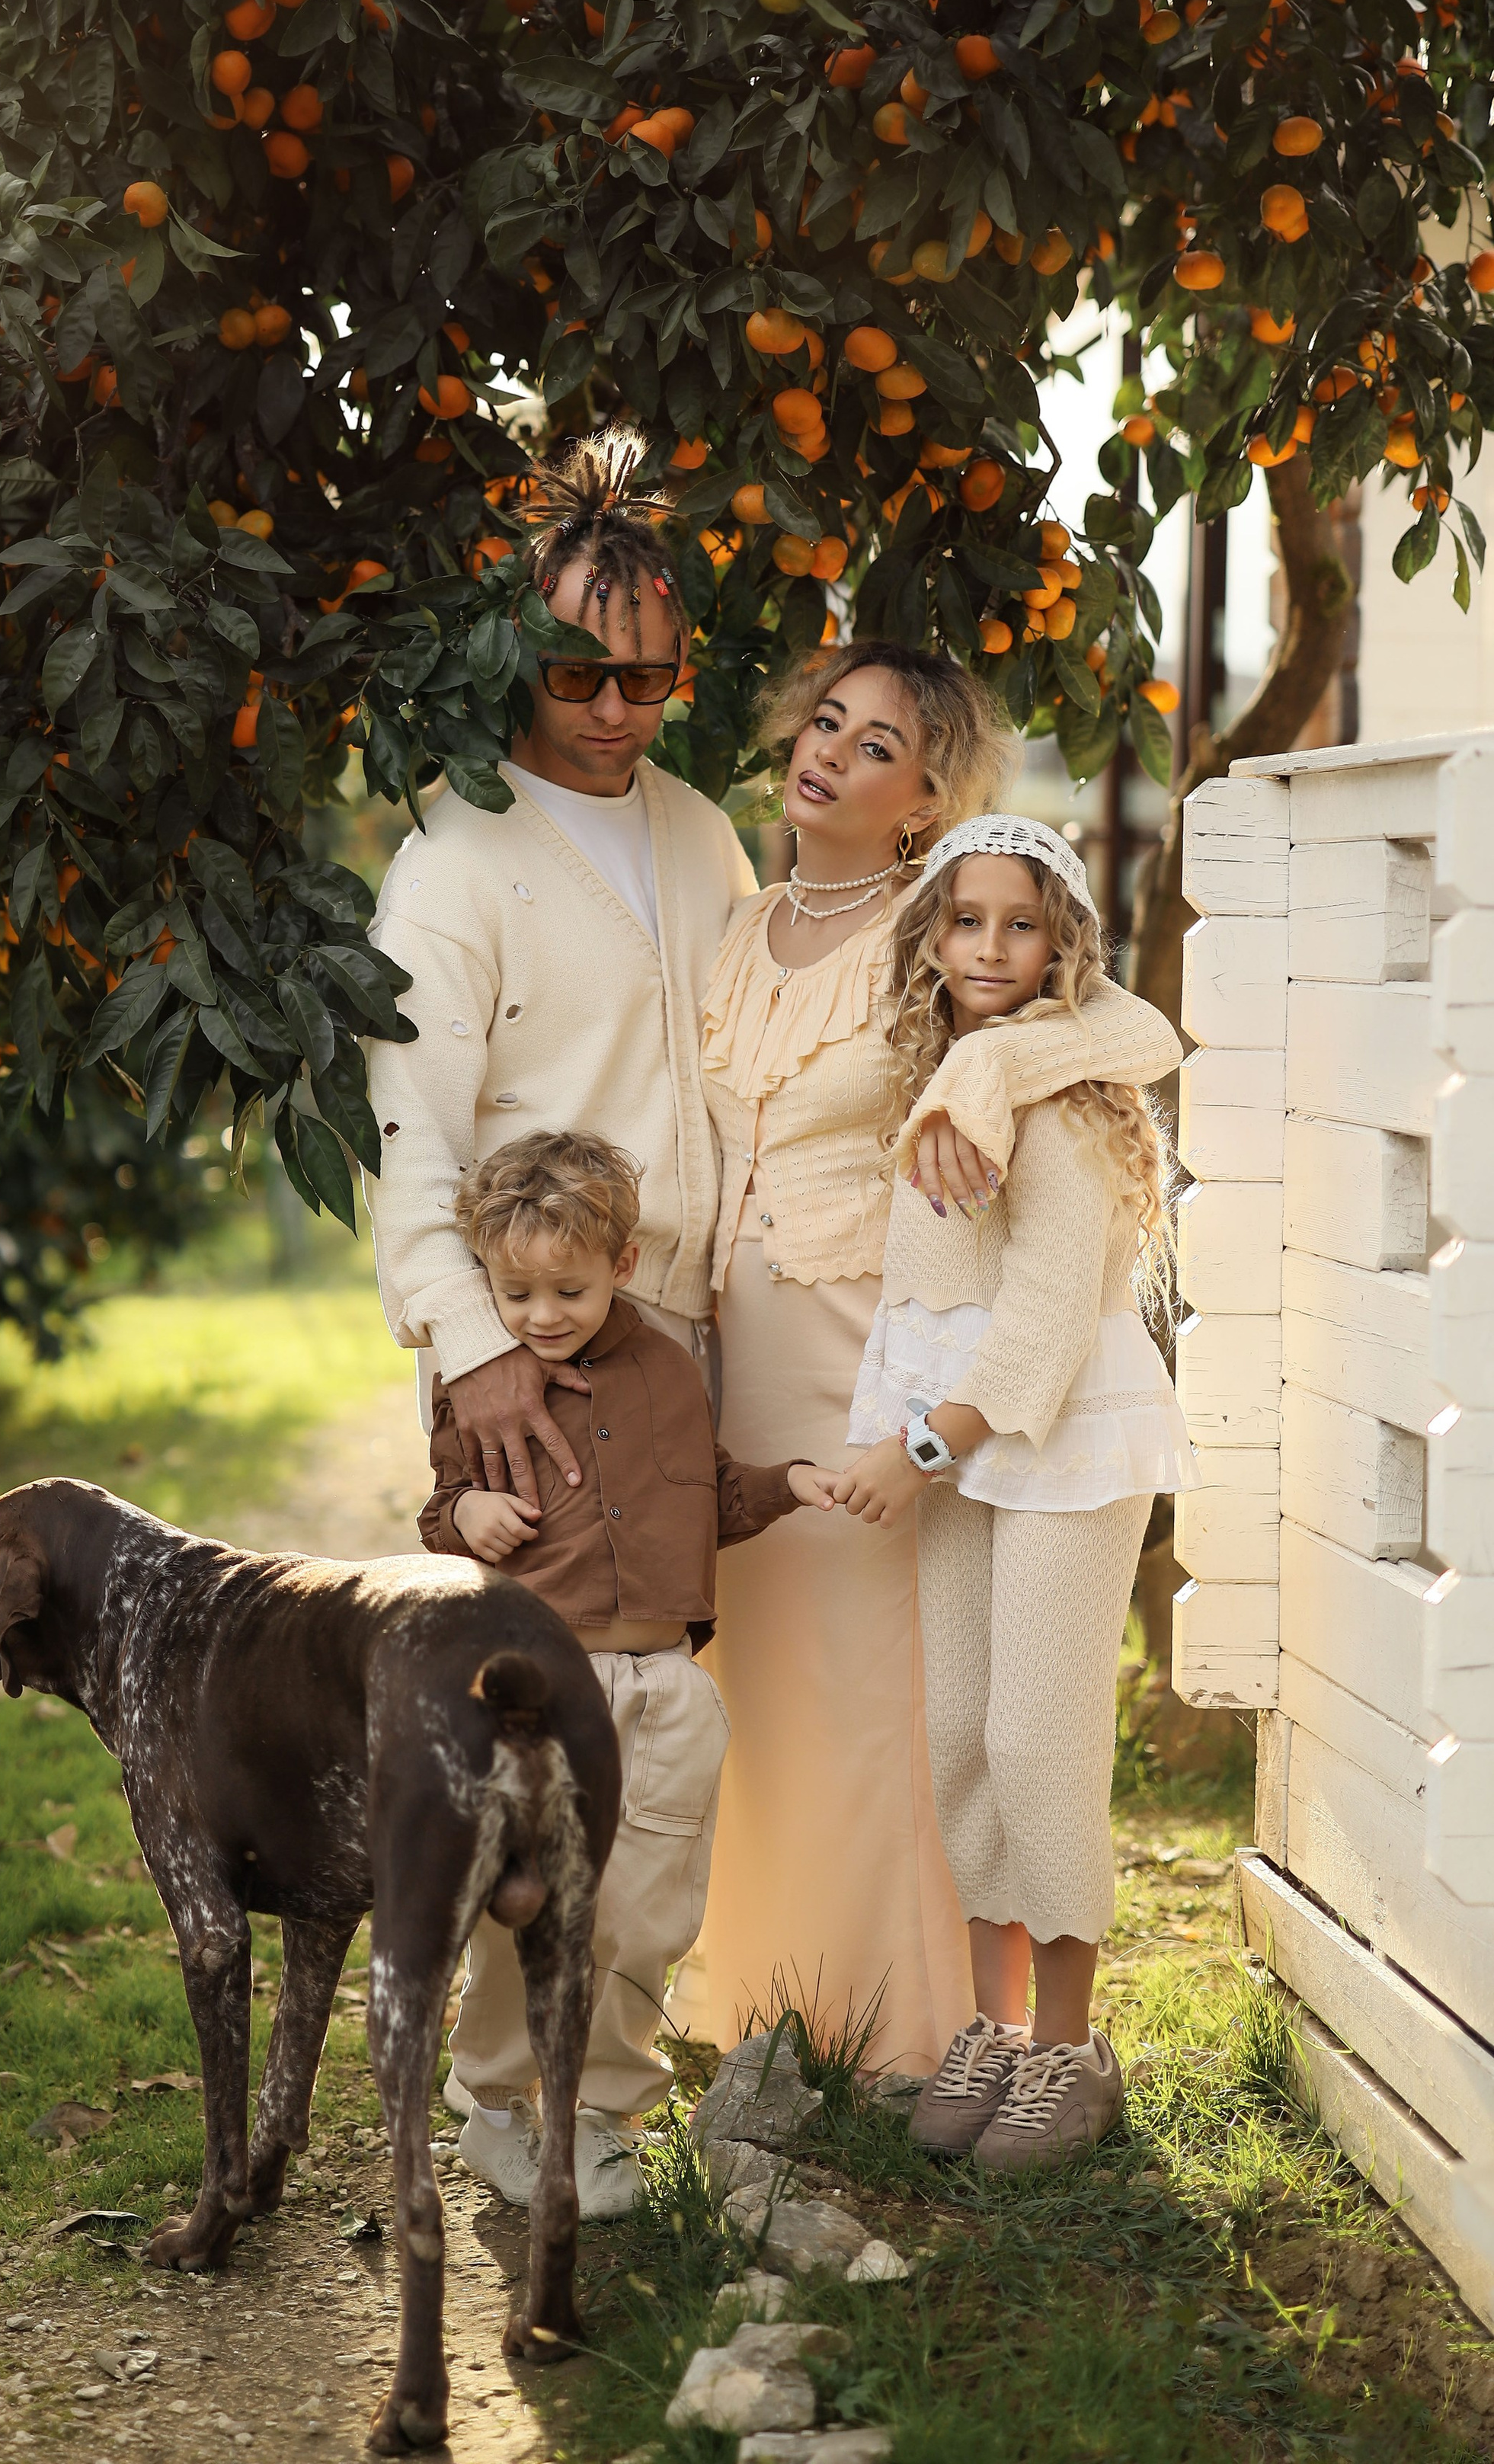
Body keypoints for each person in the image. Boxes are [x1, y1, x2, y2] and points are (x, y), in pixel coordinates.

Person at [687, 643, 1182, 2078]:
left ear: (928, 798)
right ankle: (832, 2008)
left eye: (878, 743)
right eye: (822, 718)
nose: (829, 749)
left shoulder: (956, 928)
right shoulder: (746, 924)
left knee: (962, 1714)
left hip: (920, 1362)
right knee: (853, 1704)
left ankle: (987, 2036)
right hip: (800, 1348)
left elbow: (1124, 1030)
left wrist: (994, 1066)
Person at [837, 816, 1194, 2168]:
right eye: (966, 921)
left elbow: (1044, 1328)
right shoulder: (946, 1084)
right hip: (963, 1442)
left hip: (1055, 1444)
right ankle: (988, 2029)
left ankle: (1067, 2050)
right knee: (964, 1743)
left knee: (1043, 1745)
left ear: (1063, 946)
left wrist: (909, 1451)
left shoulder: (1063, 1101)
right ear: (931, 936)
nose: (991, 949)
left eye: (1022, 924)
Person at [416, 1129, 842, 2215]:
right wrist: (470, 1511)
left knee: (647, 1911)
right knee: (533, 1900)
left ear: (620, 1263)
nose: (542, 1314)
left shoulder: (669, 1371)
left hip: (667, 1687)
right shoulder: (482, 1388)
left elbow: (707, 1494)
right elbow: (436, 1510)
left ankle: (601, 2112)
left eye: (567, 1287)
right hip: (543, 1692)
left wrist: (788, 1481)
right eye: (515, 1292)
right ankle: (500, 2109)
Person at [364, 434, 757, 1493]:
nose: (615, 711)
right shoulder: (453, 864)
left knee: (672, 1650)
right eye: (578, 674)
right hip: (531, 1345)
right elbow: (405, 1132)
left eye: (647, 679)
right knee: (540, 1653)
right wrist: (473, 1348)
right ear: (520, 656)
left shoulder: (703, 833)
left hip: (698, 1329)